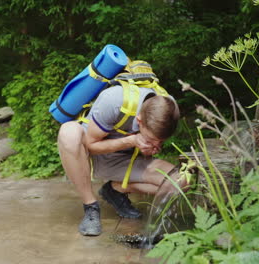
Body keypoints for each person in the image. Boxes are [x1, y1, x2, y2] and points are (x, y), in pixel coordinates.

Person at [57, 84, 181, 236]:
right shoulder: (113, 100)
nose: (156, 144)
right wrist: (132, 141)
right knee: (68, 133)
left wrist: (151, 148)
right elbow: (91, 146)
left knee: (181, 182)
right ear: (139, 120)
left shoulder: (170, 109)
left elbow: (153, 142)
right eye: (151, 139)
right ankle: (90, 207)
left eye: (160, 141)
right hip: (88, 157)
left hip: (124, 162)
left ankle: (116, 189)